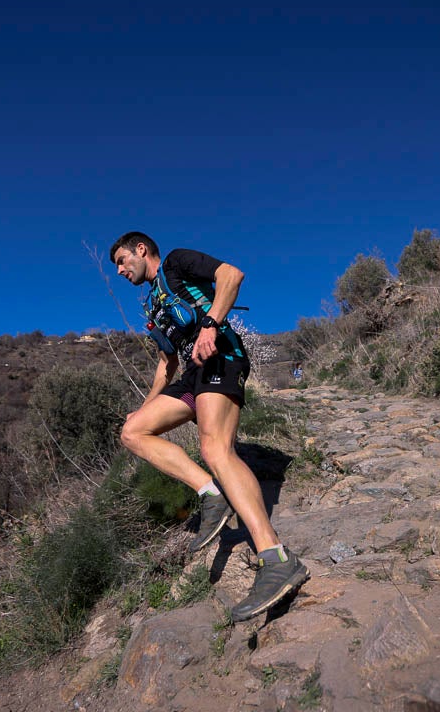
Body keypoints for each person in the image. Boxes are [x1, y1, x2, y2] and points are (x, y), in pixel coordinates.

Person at [109, 231, 308, 622]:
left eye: (121, 260)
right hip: (190, 374)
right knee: (132, 432)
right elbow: (167, 363)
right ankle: (210, 492)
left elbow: (231, 275)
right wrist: (145, 408)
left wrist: (211, 325)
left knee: (215, 449)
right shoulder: (154, 302)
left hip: (221, 357)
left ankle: (277, 558)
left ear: (141, 250)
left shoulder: (177, 262)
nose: (119, 270)